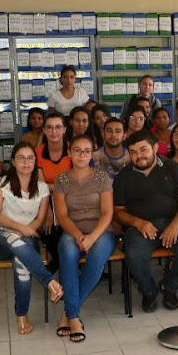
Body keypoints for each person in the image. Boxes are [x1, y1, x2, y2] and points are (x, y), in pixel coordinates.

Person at [0, 141, 63, 335]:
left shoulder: (42, 188)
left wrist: (25, 231)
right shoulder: (1, 184)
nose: (26, 162)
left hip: (25, 242)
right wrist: (19, 229)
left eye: (30, 158)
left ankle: (22, 315)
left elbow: (39, 219)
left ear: (35, 162)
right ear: (13, 161)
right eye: (21, 158)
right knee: (13, 238)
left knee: (22, 263)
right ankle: (49, 281)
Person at [113, 131, 178, 312]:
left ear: (155, 148)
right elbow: (118, 212)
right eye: (133, 152)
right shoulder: (124, 176)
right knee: (134, 255)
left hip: (174, 221)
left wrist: (176, 224)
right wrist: (138, 222)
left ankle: (168, 286)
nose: (139, 156)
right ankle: (148, 290)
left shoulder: (172, 167)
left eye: (143, 150)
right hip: (140, 227)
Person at [54, 135, 115, 342]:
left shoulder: (102, 178)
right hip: (72, 231)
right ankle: (74, 316)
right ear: (69, 152)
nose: (82, 155)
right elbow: (62, 216)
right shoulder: (62, 179)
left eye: (87, 151)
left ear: (92, 155)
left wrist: (92, 237)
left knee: (96, 258)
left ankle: (69, 314)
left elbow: (107, 212)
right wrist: (80, 236)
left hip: (101, 231)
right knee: (68, 253)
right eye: (77, 150)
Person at [36, 112, 72, 273]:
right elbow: (40, 186)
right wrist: (49, 211)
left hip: (71, 199)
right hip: (46, 200)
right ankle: (60, 260)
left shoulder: (73, 150)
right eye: (49, 128)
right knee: (49, 228)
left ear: (64, 129)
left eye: (58, 127)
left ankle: (62, 262)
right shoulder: (38, 152)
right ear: (44, 130)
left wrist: (52, 186)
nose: (54, 131)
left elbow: (73, 184)